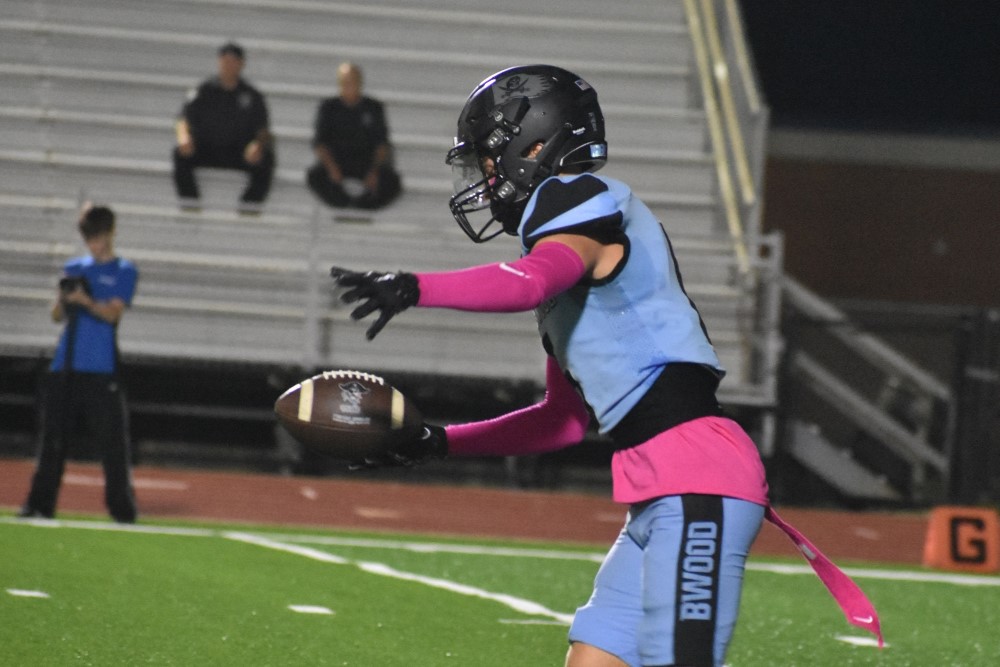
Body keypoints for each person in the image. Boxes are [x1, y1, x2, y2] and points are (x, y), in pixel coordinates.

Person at [330, 65, 881, 667]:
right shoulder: (560, 269)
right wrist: (437, 442)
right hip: (660, 488)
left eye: (488, 162)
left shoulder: (575, 197)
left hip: (697, 476)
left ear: (531, 148)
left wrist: (416, 287)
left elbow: (530, 281)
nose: (485, 181)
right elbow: (561, 422)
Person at [18, 204, 139, 524]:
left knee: (112, 443)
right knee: (52, 440)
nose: (93, 244)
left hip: (102, 368)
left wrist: (86, 301)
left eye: (98, 237)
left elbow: (113, 314)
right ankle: (39, 504)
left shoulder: (123, 270)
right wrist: (63, 298)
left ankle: (122, 510)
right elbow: (56, 315)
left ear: (110, 234)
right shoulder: (74, 267)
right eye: (89, 238)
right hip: (66, 363)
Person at [172, 42, 275, 213]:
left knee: (266, 157)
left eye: (233, 61)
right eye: (225, 61)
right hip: (207, 149)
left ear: (241, 64)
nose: (228, 65)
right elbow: (183, 118)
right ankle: (190, 205)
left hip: (237, 151)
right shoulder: (204, 90)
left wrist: (256, 145)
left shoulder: (252, 95)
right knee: (179, 154)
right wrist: (183, 138)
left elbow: (263, 129)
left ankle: (249, 207)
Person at [306, 62, 402, 210]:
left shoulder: (373, 108)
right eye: (345, 82)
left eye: (353, 81)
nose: (349, 86)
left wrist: (374, 170)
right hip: (338, 161)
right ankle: (340, 203)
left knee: (391, 181)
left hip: (365, 162)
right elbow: (320, 143)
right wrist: (332, 168)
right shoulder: (329, 108)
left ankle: (366, 205)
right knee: (315, 176)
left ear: (360, 83)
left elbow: (382, 144)